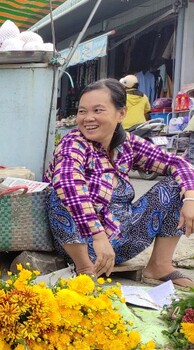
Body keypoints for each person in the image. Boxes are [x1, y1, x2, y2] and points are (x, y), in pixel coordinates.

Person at [45, 78, 194, 288]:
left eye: (98, 110)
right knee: (61, 192)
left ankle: (159, 265)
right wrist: (98, 236)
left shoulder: (128, 144)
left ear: (121, 114)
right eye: (82, 111)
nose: (88, 118)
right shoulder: (73, 143)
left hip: (121, 241)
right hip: (82, 243)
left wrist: (190, 198)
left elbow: (176, 163)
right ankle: (85, 270)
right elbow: (68, 182)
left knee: (177, 184)